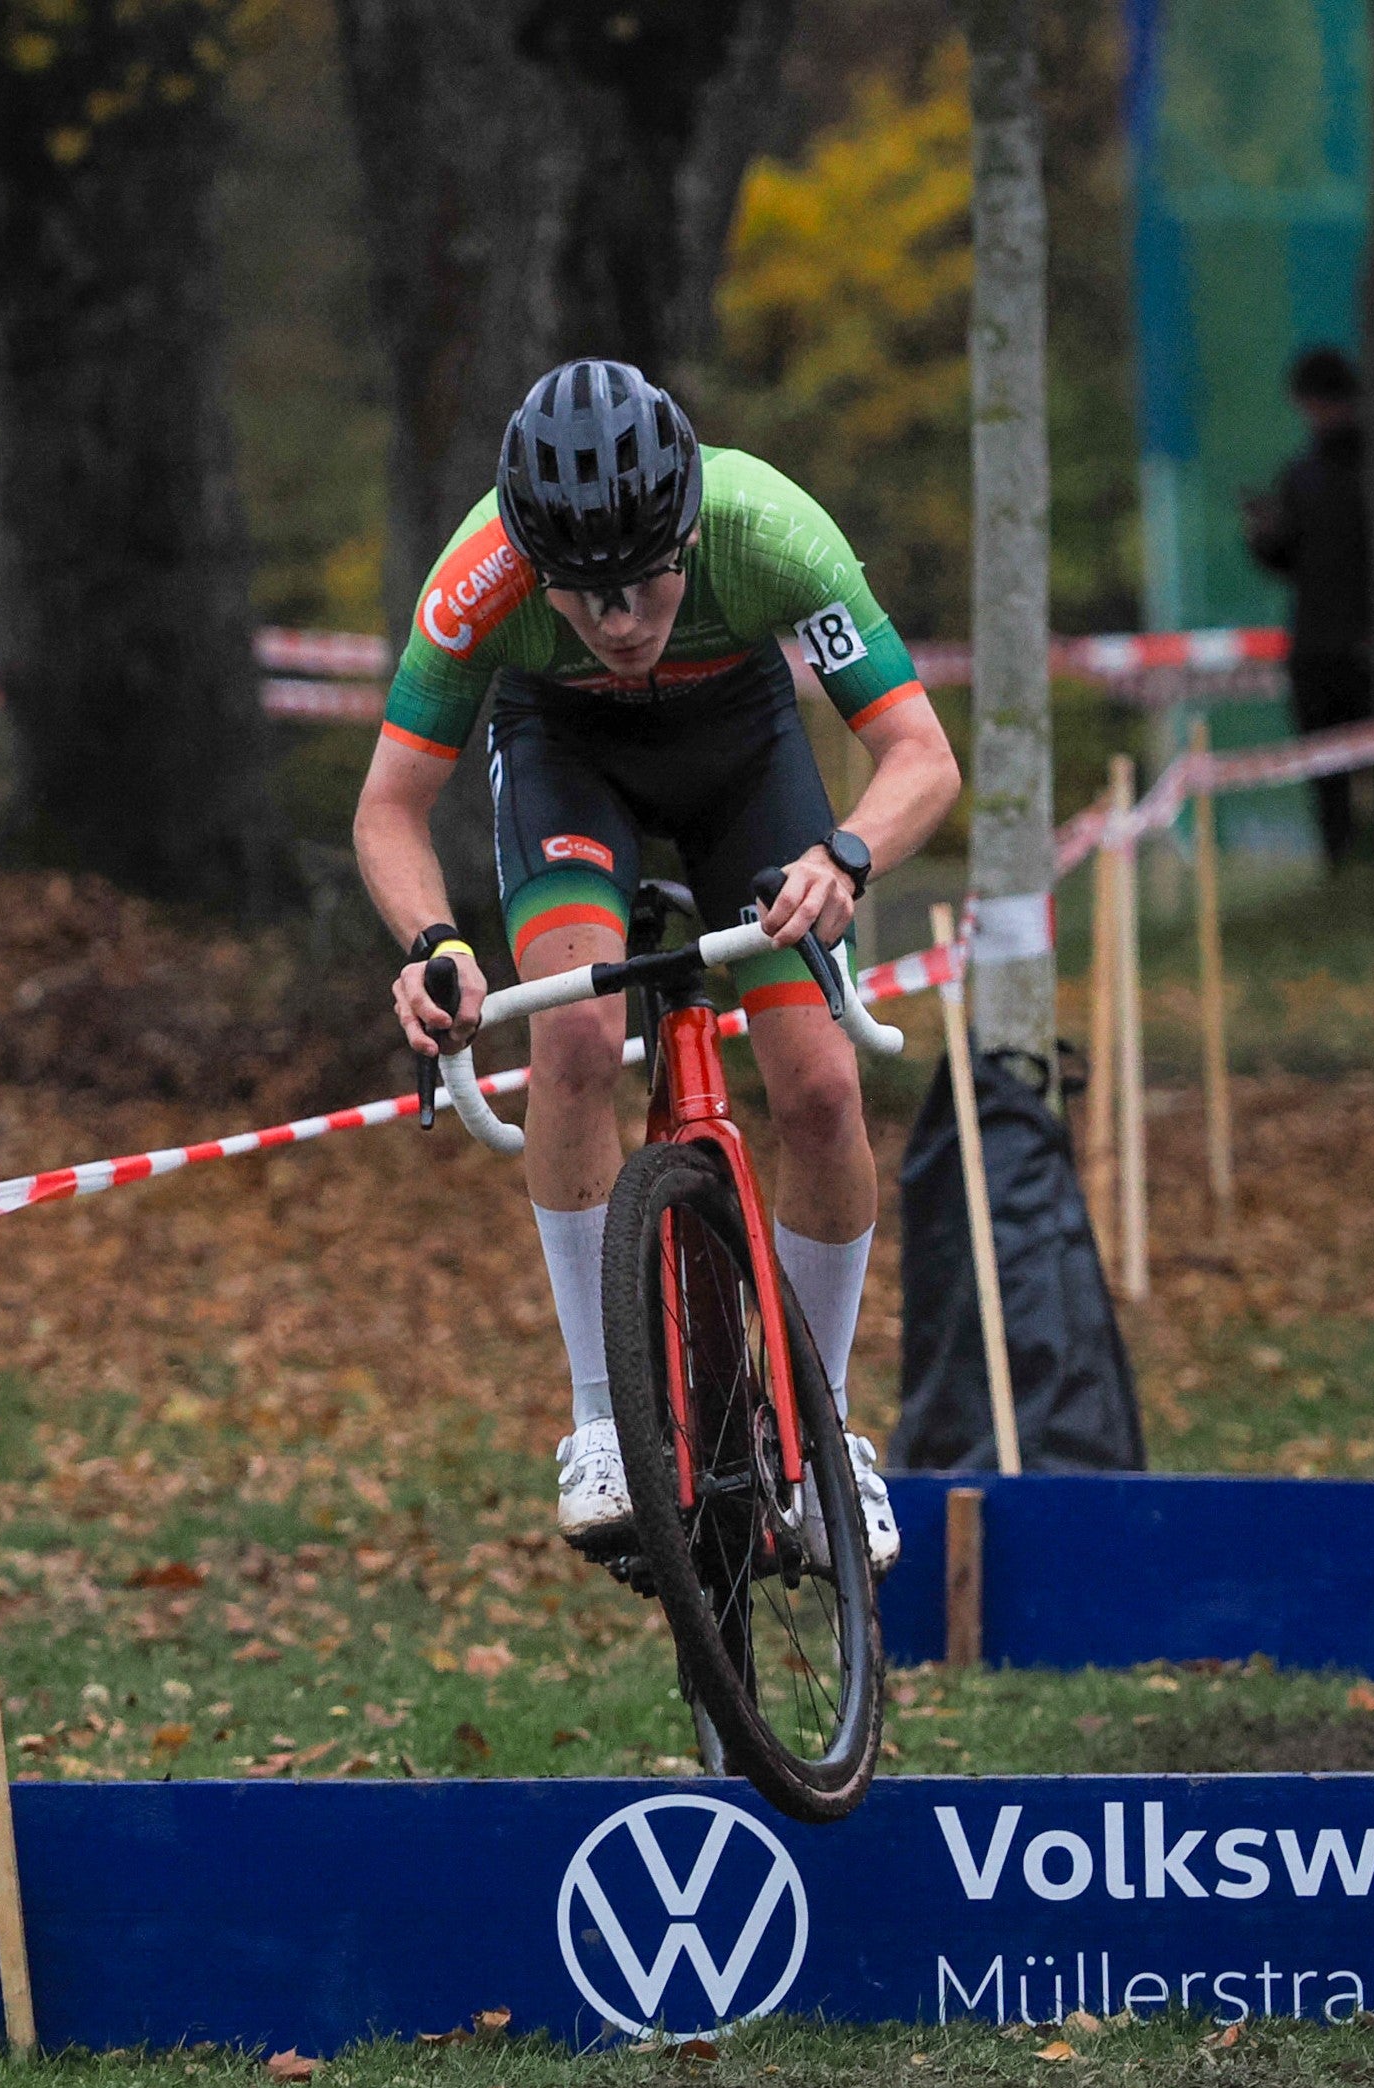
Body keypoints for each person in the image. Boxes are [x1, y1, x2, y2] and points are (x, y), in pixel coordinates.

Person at [352, 359, 962, 1574]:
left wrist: (843, 857)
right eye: (584, 595)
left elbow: (920, 755)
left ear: (688, 530)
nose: (620, 620)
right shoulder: (478, 577)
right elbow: (387, 809)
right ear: (535, 565)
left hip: (742, 751)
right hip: (564, 754)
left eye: (644, 580)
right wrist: (435, 945)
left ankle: (824, 1432)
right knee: (575, 1037)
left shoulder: (769, 530)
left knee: (820, 1089)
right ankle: (601, 1420)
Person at [1242, 344, 1374, 864]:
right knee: (1351, 765)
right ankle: (1354, 857)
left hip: (1332, 644)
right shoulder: (1316, 474)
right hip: (1346, 642)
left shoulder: (1312, 475)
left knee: (1335, 771)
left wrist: (1265, 535)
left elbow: (1284, 557)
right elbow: (1287, 556)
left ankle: (1345, 857)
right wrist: (1265, 535)